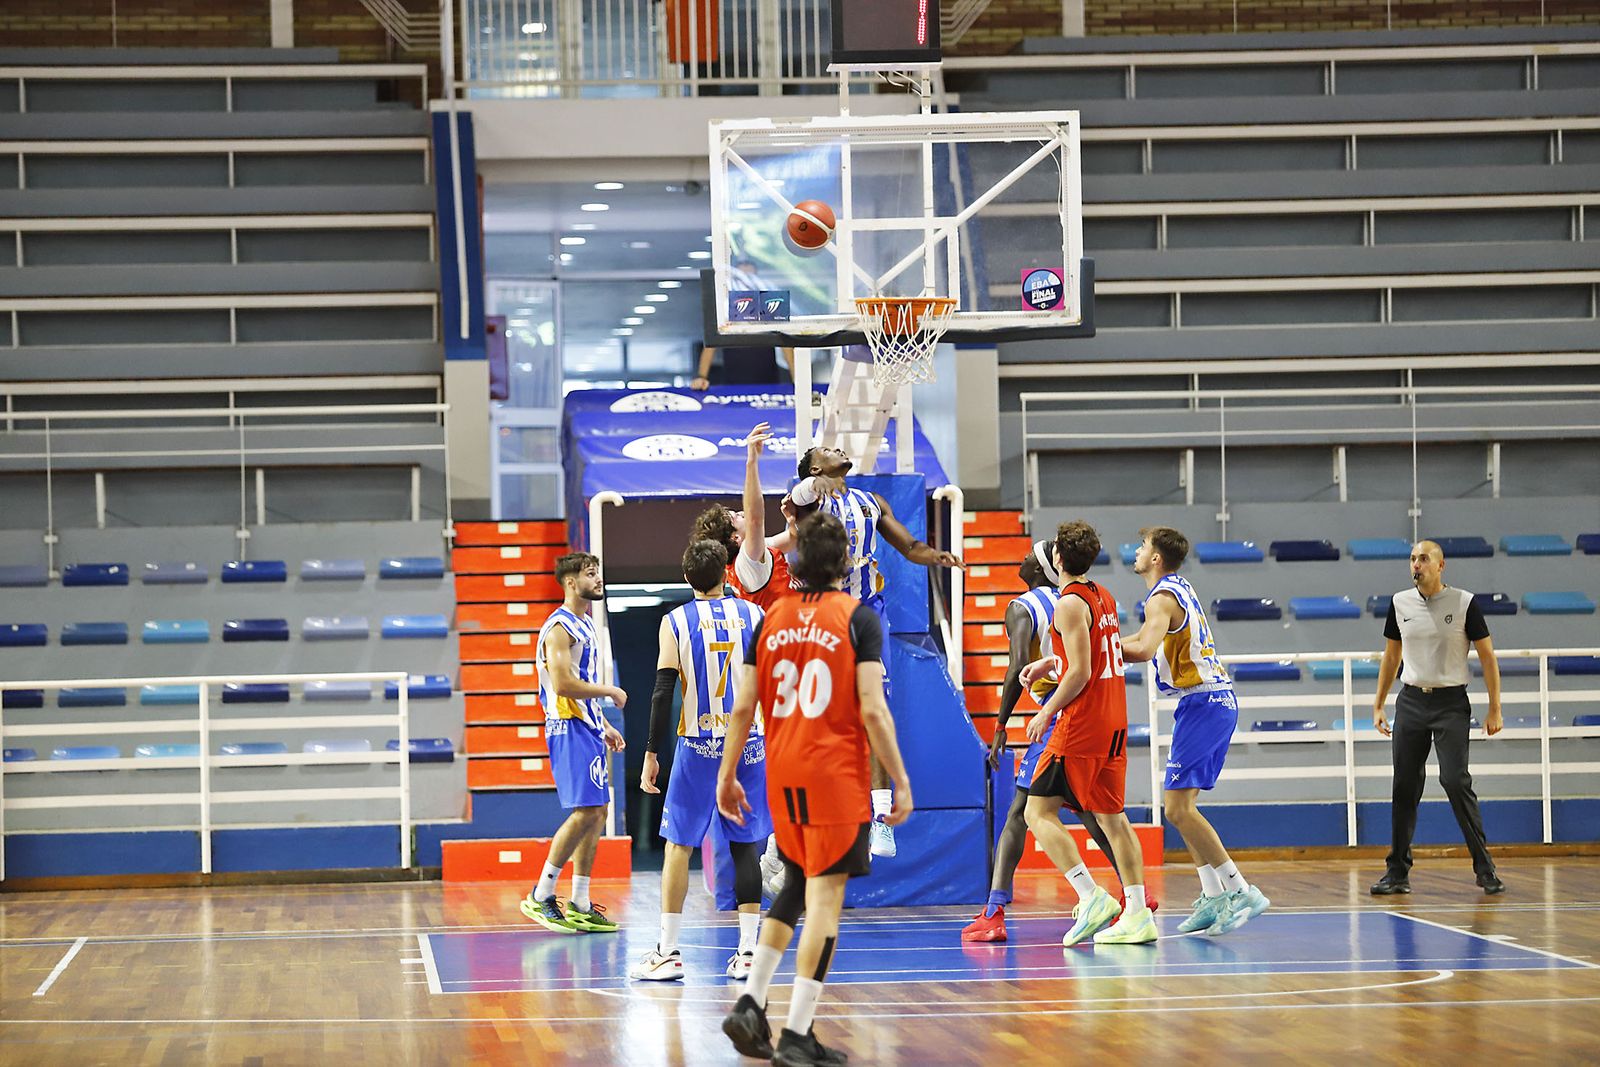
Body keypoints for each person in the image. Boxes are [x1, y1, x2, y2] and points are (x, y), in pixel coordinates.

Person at [716, 511, 913, 1067]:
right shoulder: (857, 618)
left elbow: (743, 707)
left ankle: (751, 1003)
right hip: (835, 775)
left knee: (798, 883)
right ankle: (798, 1032)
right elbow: (872, 708)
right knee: (826, 899)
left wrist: (727, 775)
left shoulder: (770, 619)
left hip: (783, 772)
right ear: (846, 561)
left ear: (797, 560)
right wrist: (898, 779)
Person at [962, 540, 1146, 943]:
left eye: (1032, 554)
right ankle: (1136, 898)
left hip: (1065, 715)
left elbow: (1021, 666)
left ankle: (997, 911)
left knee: (1025, 812)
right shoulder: (1092, 595)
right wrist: (1051, 663)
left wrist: (1000, 726)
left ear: (1048, 565)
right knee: (1099, 813)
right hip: (1101, 713)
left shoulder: (1024, 606)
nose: (1024, 557)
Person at [785, 444, 964, 857]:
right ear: (815, 468)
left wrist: (935, 556)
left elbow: (910, 547)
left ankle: (881, 820)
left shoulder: (871, 501)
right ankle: (801, 823)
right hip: (822, 611)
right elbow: (798, 498)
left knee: (876, 711)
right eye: (826, 449)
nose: (838, 448)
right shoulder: (811, 499)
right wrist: (808, 483)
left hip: (867, 612)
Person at [1120, 525, 1270, 936]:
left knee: (1177, 810)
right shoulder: (1175, 588)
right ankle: (1213, 894)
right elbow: (1140, 637)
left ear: (1155, 558)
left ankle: (1240, 891)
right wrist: (1104, 641)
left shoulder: (1160, 599)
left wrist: (1095, 650)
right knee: (1181, 809)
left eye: (1142, 546)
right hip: (1205, 702)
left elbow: (1144, 649)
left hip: (1206, 701)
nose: (1136, 551)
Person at [632, 540, 770, 981]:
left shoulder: (675, 622)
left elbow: (662, 691)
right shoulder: (754, 615)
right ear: (727, 573)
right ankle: (748, 953)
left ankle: (668, 952)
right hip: (749, 742)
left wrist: (651, 752)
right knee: (746, 844)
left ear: (686, 577)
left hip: (699, 744)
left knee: (679, 845)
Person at [1020, 520, 1155, 947]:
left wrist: (1047, 712)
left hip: (1083, 723)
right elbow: (1096, 652)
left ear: (1057, 559)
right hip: (1114, 720)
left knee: (1036, 813)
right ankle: (1137, 913)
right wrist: (1049, 662)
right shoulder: (1103, 595)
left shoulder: (1067, 605)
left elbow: (1080, 672)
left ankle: (1090, 895)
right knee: (1112, 818)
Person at [1370, 539, 1505, 896]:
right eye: (1413, 559)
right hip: (1412, 701)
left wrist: (1495, 707)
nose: (1417, 564)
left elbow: (1487, 656)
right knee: (1404, 785)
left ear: (1441, 566)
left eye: (1424, 559)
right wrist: (1379, 703)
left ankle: (1485, 868)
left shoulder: (1464, 603)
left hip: (1451, 704)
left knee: (1455, 780)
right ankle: (1397, 872)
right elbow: (1391, 656)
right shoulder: (1399, 603)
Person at [522, 552, 627, 934]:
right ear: (570, 582)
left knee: (599, 812)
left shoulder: (585, 625)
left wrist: (604, 725)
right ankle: (541, 893)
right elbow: (564, 684)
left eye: (598, 572)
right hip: (566, 726)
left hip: (587, 725)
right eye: (590, 573)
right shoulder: (559, 627)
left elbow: (580, 687)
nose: (598, 579)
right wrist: (609, 691)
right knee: (585, 812)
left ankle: (580, 901)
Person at [690, 421, 796, 613]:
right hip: (785, 630)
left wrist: (792, 521)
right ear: (735, 538)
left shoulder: (750, 555)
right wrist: (751, 461)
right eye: (737, 516)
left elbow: (793, 539)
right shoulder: (747, 561)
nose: (743, 513)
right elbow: (755, 518)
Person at [690, 261, 796, 389]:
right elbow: (710, 346)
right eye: (742, 277)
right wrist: (701, 377)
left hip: (768, 383)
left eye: (750, 277)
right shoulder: (725, 308)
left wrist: (798, 380)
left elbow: (786, 345)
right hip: (733, 384)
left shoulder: (769, 304)